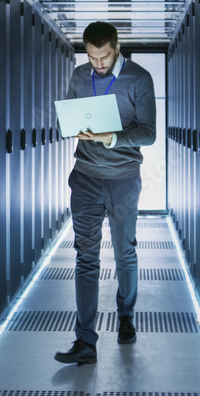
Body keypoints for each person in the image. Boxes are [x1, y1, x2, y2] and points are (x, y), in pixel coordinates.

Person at [54, 22, 156, 365]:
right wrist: (72, 126)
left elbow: (149, 133)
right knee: (86, 258)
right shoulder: (81, 76)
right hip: (84, 177)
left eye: (104, 56)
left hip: (123, 178)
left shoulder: (139, 79)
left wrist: (112, 138)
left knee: (125, 252)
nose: (97, 63)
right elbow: (67, 115)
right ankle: (85, 340)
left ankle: (125, 316)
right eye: (92, 56)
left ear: (117, 48)